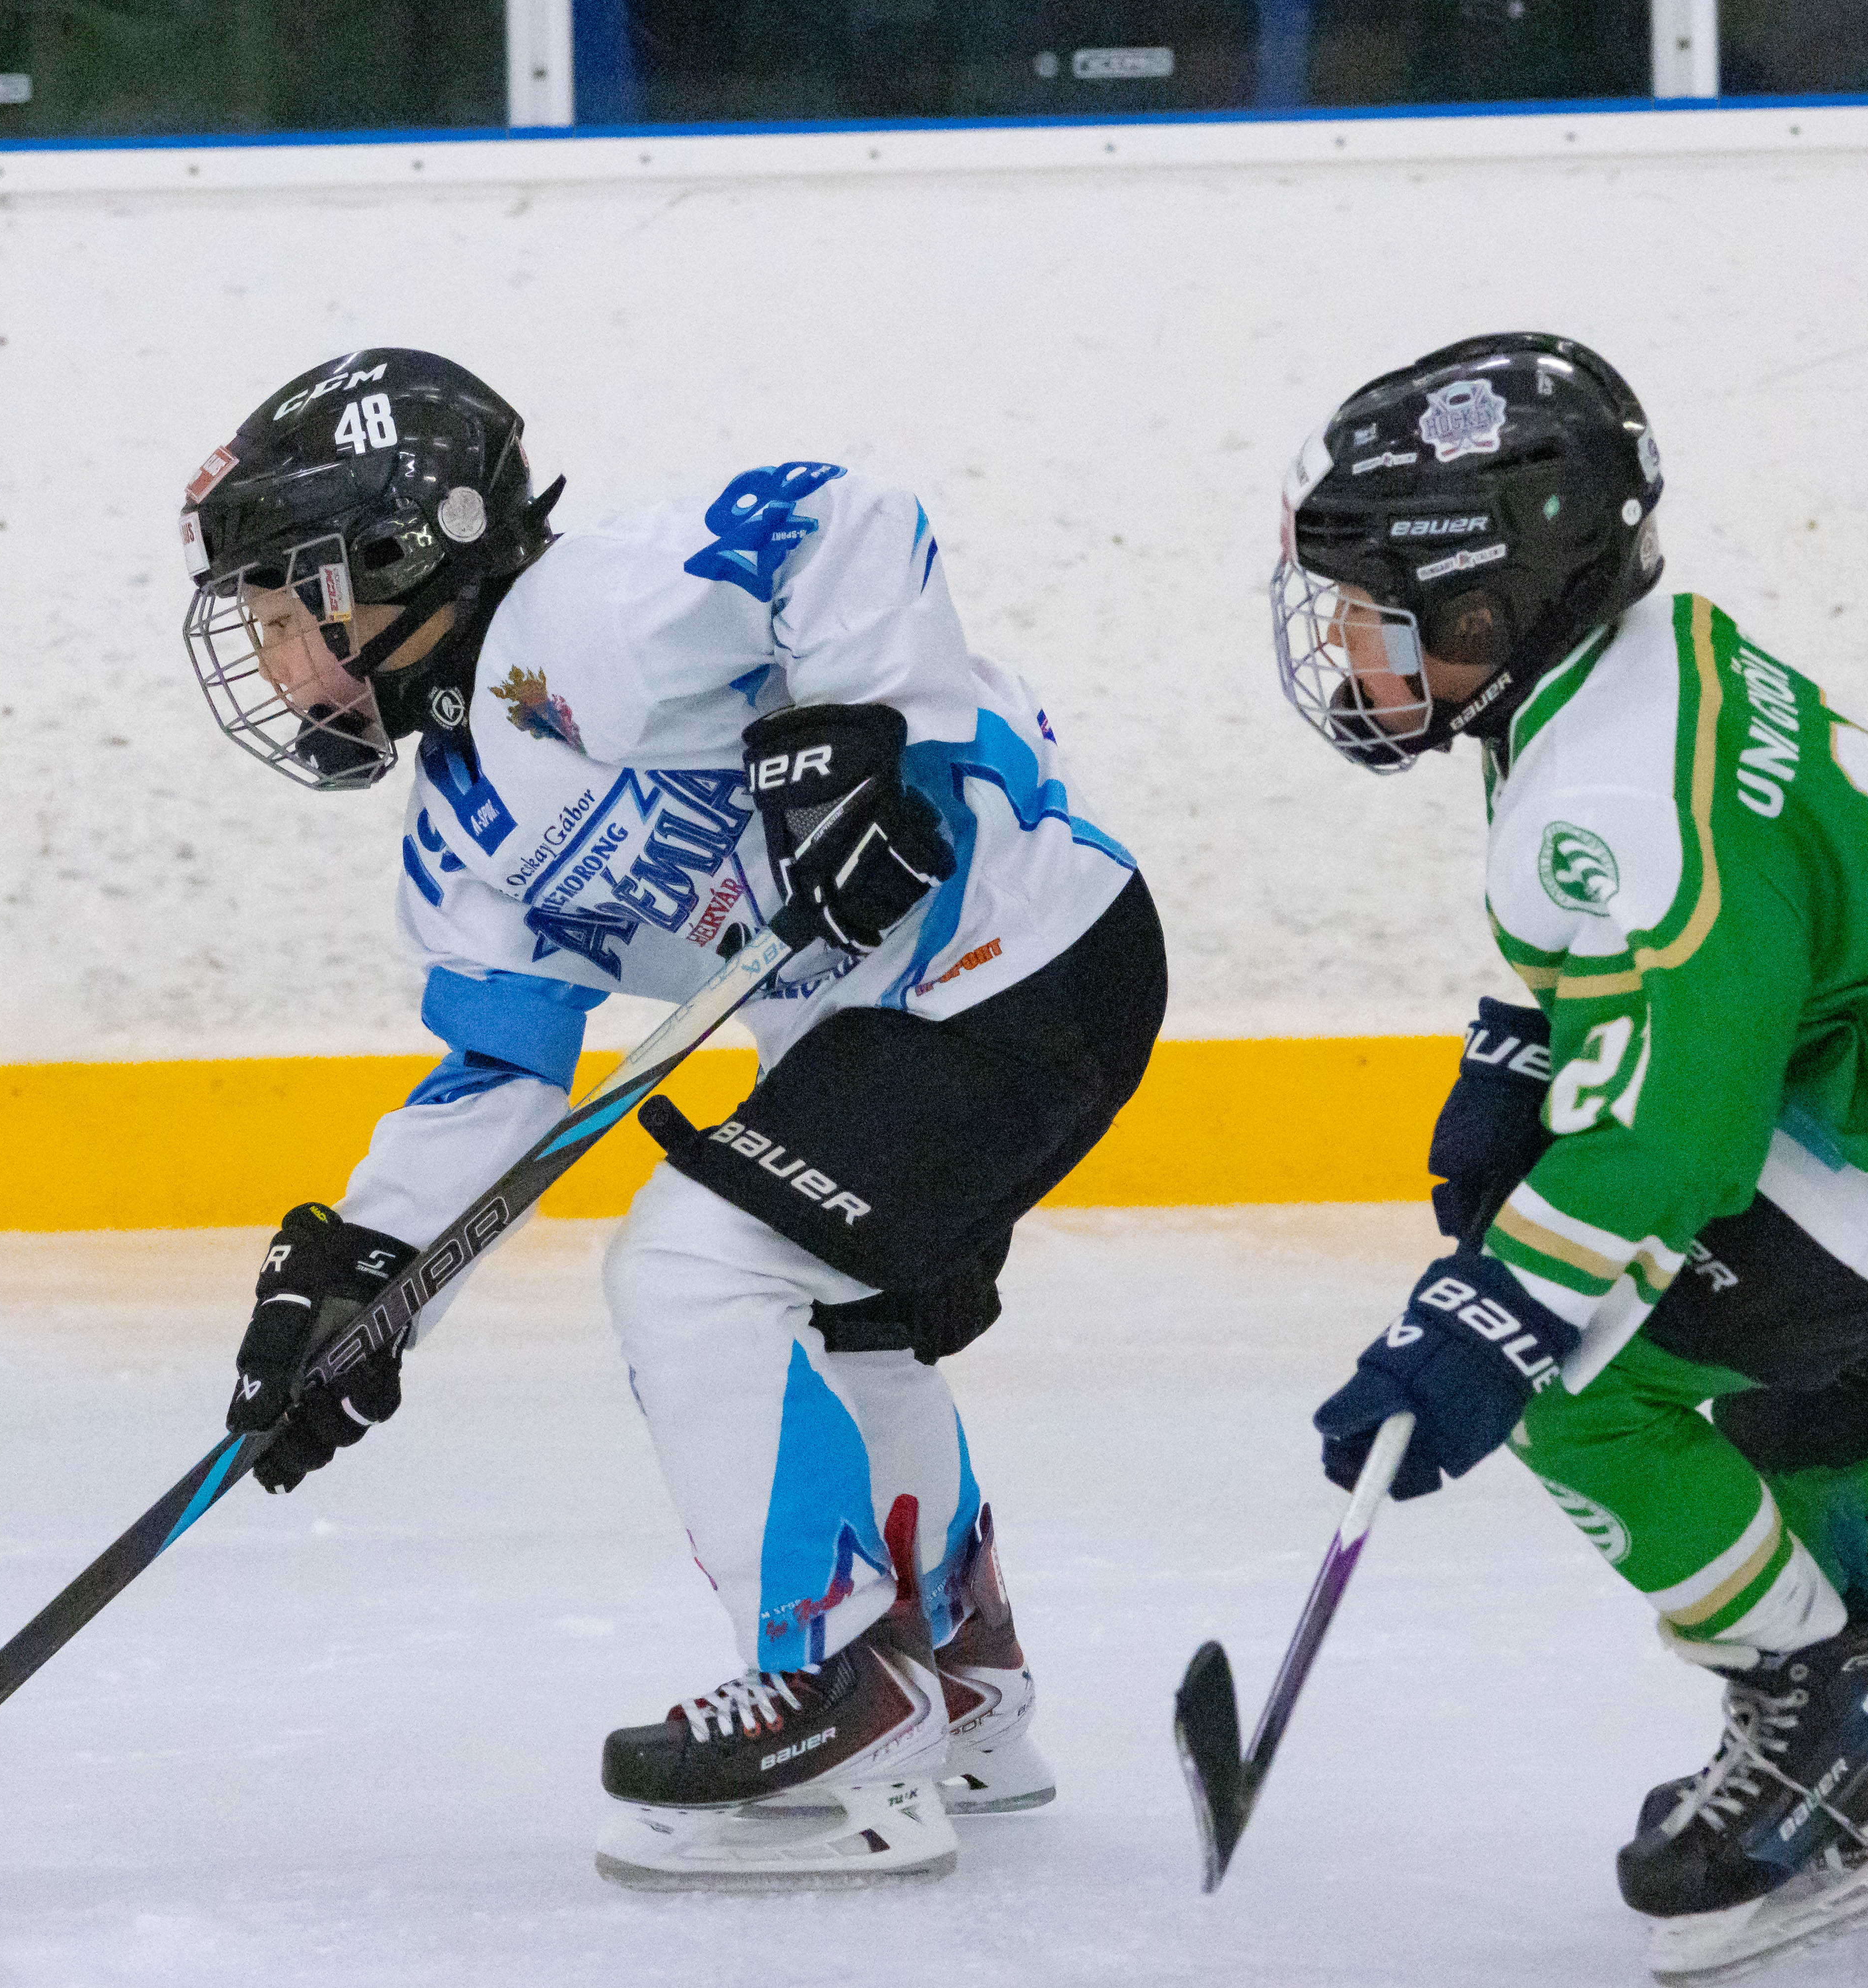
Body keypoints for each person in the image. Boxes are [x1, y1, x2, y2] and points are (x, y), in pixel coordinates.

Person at [176, 349, 1165, 1888]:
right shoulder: (459, 832)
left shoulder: (588, 619)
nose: (279, 657)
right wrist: (368, 1277)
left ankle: (837, 1688)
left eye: (290, 609)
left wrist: (872, 737)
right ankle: (958, 1682)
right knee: (844, 1319)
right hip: (912, 1019)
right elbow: (499, 1075)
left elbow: (847, 520)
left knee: (689, 1268)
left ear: (409, 551)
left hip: (1017, 955)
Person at [1263, 332, 1868, 1978]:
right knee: (1814, 1422)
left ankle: (1833, 1715)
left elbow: (1672, 1132)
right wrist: (1517, 1063)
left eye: (1374, 608)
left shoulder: (1614, 786)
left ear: (1488, 605)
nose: (1346, 645)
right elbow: (1658, 953)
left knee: (1574, 1385)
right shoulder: (1632, 665)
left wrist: (1491, 1315)